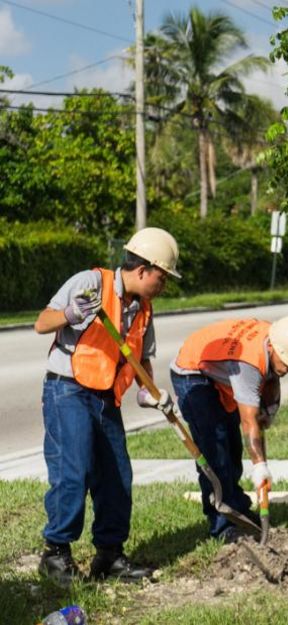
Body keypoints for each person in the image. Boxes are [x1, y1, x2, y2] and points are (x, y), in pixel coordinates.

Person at [34, 227, 180, 585]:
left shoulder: (144, 309)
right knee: (75, 469)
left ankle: (109, 557)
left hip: (105, 398)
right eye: (162, 278)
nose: (163, 286)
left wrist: (153, 393)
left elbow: (143, 360)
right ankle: (55, 554)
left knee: (117, 476)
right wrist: (70, 313)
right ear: (143, 269)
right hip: (67, 389)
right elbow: (42, 323)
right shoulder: (91, 282)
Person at [171, 316, 288, 541]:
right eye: (286, 362)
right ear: (271, 347)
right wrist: (260, 466)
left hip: (220, 368)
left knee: (233, 445)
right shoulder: (250, 363)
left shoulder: (278, 336)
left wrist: (268, 409)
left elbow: (269, 381)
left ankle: (237, 507)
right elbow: (249, 422)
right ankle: (221, 524)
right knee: (215, 448)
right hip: (192, 371)